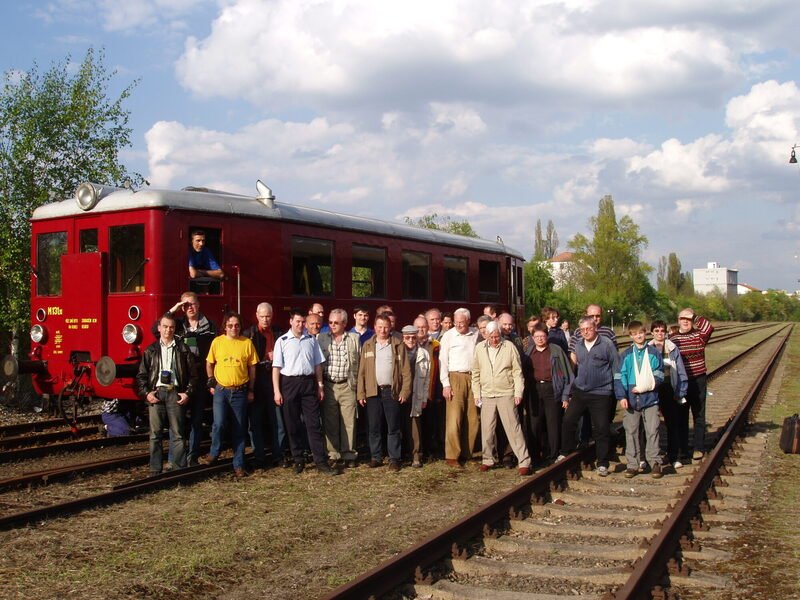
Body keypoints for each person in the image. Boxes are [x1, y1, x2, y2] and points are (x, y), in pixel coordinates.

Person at [272, 309, 337, 475]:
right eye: (297, 322)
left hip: (308, 383)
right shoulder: (282, 341)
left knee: (314, 424)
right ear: (291, 322)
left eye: (302, 322)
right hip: (289, 384)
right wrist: (277, 391)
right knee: (293, 424)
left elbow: (317, 365)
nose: (300, 325)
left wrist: (320, 385)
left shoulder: (311, 340)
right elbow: (276, 368)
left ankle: (321, 462)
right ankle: (298, 460)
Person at [559, 316, 620, 477]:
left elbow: (616, 368)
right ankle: (566, 451)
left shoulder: (606, 344)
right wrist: (569, 391)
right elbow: (574, 370)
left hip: (601, 392)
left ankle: (602, 462)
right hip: (581, 391)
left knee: (601, 428)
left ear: (595, 328)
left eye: (589, 328)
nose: (586, 332)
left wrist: (617, 392)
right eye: (582, 329)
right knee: (568, 420)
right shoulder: (578, 346)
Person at [136, 314, 197, 475]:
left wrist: (187, 393)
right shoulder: (151, 350)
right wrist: (147, 393)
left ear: (174, 329)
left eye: (171, 327)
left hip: (175, 393)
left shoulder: (183, 349)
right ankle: (155, 470)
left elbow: (193, 375)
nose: (168, 330)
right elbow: (141, 375)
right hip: (157, 394)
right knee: (155, 435)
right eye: (165, 326)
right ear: (159, 328)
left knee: (177, 433)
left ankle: (178, 469)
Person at [162, 291, 217, 467]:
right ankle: (173, 458)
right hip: (180, 379)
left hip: (200, 379)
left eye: (192, 304)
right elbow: (157, 327)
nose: (190, 308)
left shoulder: (210, 327)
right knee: (176, 421)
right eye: (185, 305)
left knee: (196, 420)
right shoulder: (177, 326)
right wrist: (174, 309)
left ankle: (191, 457)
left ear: (199, 304)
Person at [202, 311, 258, 477]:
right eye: (230, 325)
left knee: (239, 429)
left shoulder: (247, 343)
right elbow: (209, 363)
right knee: (218, 424)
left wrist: (251, 389)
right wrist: (211, 381)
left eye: (237, 325)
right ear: (224, 327)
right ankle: (214, 452)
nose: (234, 328)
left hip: (240, 391)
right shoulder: (217, 342)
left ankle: (239, 464)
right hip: (221, 391)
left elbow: (253, 368)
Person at [472, 321, 532, 476]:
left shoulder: (509, 347)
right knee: (487, 429)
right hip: (487, 393)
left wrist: (518, 392)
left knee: (513, 428)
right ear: (486, 335)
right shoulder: (479, 348)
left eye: (497, 336)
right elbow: (476, 372)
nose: (494, 340)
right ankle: (487, 459)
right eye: (491, 336)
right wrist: (476, 394)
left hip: (506, 392)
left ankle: (524, 460)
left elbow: (517, 372)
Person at [357, 313, 412, 472]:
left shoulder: (397, 344)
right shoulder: (367, 344)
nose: (383, 330)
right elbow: (361, 372)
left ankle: (394, 459)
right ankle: (376, 457)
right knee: (374, 427)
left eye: (386, 327)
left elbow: (406, 371)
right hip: (373, 392)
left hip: (391, 392)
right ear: (374, 327)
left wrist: (405, 391)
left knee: (393, 427)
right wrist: (361, 393)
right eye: (380, 327)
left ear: (390, 328)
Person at [614, 321, 665, 478]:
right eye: (635, 334)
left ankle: (655, 463)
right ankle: (632, 465)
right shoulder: (626, 355)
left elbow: (659, 373)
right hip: (630, 398)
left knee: (653, 430)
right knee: (631, 431)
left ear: (645, 333)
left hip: (650, 398)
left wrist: (647, 385)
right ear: (630, 335)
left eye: (641, 333)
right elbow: (619, 376)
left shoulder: (654, 353)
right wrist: (621, 396)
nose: (638, 336)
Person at [243, 302, 289, 468]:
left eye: (268, 316)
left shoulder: (279, 334)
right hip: (256, 379)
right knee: (255, 422)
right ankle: (259, 457)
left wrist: (276, 356)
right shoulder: (248, 334)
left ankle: (279, 454)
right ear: (257, 316)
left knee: (278, 420)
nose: (265, 319)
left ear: (272, 316)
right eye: (262, 316)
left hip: (274, 380)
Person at [524, 324, 573, 463]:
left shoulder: (556, 351)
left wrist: (565, 395)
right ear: (533, 338)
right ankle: (535, 455)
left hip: (552, 389)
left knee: (553, 423)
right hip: (534, 390)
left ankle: (553, 454)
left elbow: (567, 374)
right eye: (537, 336)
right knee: (534, 423)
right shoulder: (528, 352)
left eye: (542, 336)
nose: (540, 339)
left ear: (547, 337)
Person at [318, 308, 361, 468]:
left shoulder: (354, 339)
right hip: (329, 385)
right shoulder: (321, 338)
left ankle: (349, 454)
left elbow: (360, 362)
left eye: (336, 323)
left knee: (349, 422)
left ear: (344, 323)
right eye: (330, 322)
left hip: (347, 385)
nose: (332, 325)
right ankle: (333, 454)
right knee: (330, 422)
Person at [670, 309, 714, 461]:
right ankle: (683, 448)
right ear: (678, 320)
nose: (685, 321)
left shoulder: (699, 336)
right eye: (683, 318)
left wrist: (695, 316)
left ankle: (698, 447)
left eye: (689, 319)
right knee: (681, 416)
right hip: (682, 383)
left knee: (699, 415)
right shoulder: (673, 339)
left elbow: (709, 327)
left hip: (698, 379)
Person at [439, 308, 480, 466]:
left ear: (469, 321)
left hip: (473, 377)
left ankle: (467, 452)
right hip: (455, 377)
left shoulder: (476, 334)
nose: (458, 325)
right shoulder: (449, 336)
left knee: (473, 418)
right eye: (456, 322)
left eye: (461, 323)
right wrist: (446, 384)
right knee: (454, 418)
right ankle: (452, 455)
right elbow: (443, 360)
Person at [649, 320, 689, 469]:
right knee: (651, 425)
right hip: (653, 390)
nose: (659, 333)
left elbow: (680, 371)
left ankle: (674, 456)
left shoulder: (673, 348)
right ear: (652, 332)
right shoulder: (647, 348)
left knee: (672, 424)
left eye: (662, 331)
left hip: (669, 388)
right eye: (656, 331)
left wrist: (681, 391)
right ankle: (652, 456)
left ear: (665, 332)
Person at [401, 324, 430, 467]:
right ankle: (402, 454)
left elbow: (427, 380)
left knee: (415, 426)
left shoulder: (424, 354)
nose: (411, 340)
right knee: (400, 424)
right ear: (403, 338)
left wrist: (424, 398)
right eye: (407, 337)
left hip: (416, 393)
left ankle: (416, 455)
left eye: (413, 337)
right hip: (401, 394)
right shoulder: (398, 353)